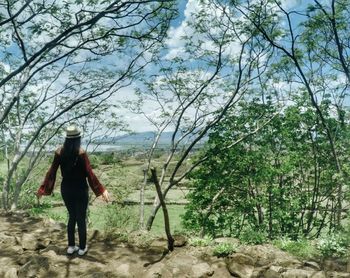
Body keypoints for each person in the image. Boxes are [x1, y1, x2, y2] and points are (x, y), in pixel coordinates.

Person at [37, 125, 110, 256]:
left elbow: (52, 172)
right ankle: (82, 248)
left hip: (66, 189)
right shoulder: (81, 153)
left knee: (72, 216)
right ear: (78, 138)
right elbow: (90, 174)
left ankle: (71, 246)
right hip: (81, 189)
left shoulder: (59, 152)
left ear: (66, 138)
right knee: (81, 218)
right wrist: (101, 190)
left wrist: (43, 189)